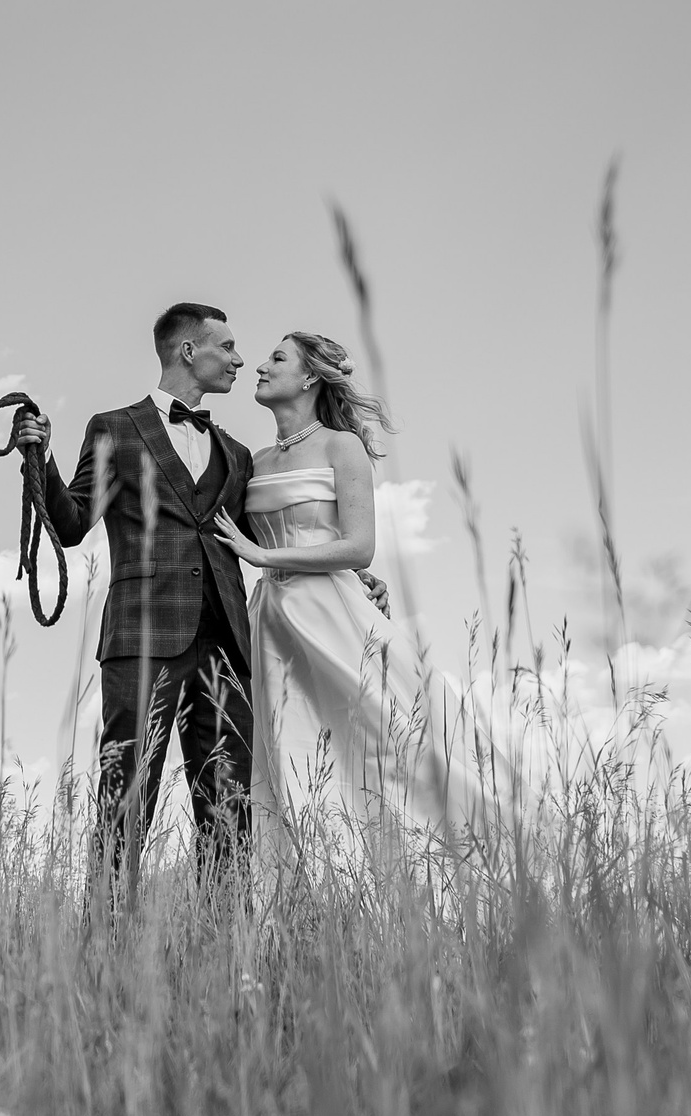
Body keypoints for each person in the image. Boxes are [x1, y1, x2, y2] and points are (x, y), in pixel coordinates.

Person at [210, 332, 491, 851]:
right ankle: (306, 887)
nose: (260, 367)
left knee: (374, 741)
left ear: (311, 377)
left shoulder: (342, 446)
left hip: (333, 615)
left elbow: (358, 547)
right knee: (284, 754)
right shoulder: (254, 460)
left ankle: (421, 855)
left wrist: (266, 557)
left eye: (277, 359)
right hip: (270, 619)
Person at [13, 303, 255, 891]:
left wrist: (352, 578)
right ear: (188, 352)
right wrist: (37, 459)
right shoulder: (114, 427)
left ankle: (225, 950)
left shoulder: (239, 455)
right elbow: (71, 525)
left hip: (226, 642)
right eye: (227, 347)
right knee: (126, 795)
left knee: (230, 806)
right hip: (142, 634)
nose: (239, 359)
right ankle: (108, 941)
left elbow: (260, 543)